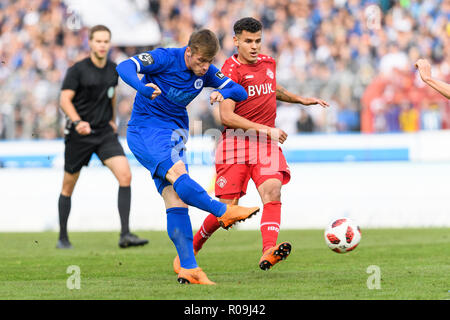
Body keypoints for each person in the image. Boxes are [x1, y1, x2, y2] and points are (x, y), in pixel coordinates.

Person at [174, 17, 329, 273]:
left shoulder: (268, 63)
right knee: (227, 210)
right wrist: (267, 129)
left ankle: (268, 250)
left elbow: (270, 89)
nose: (254, 46)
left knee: (273, 191)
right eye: (248, 41)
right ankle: (193, 246)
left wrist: (300, 100)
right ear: (236, 41)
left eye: (258, 41)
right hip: (235, 144)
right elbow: (226, 116)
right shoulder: (229, 70)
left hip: (264, 145)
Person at [116, 29, 260, 285]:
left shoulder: (207, 72)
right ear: (189, 51)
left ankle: (189, 268)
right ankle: (223, 211)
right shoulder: (164, 58)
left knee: (176, 200)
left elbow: (240, 91)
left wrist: (222, 93)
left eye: (208, 62)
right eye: (200, 61)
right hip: (147, 129)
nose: (204, 67)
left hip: (175, 132)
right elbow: (125, 66)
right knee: (179, 176)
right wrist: (142, 87)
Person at [57, 25, 149, 250]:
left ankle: (125, 235)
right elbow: (64, 100)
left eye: (105, 41)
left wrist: (112, 118)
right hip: (79, 136)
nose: (102, 45)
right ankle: (62, 237)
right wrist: (78, 122)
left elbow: (112, 94)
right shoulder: (77, 70)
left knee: (125, 175)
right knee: (68, 186)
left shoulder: (113, 70)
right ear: (90, 42)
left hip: (104, 134)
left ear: (109, 43)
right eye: (98, 41)